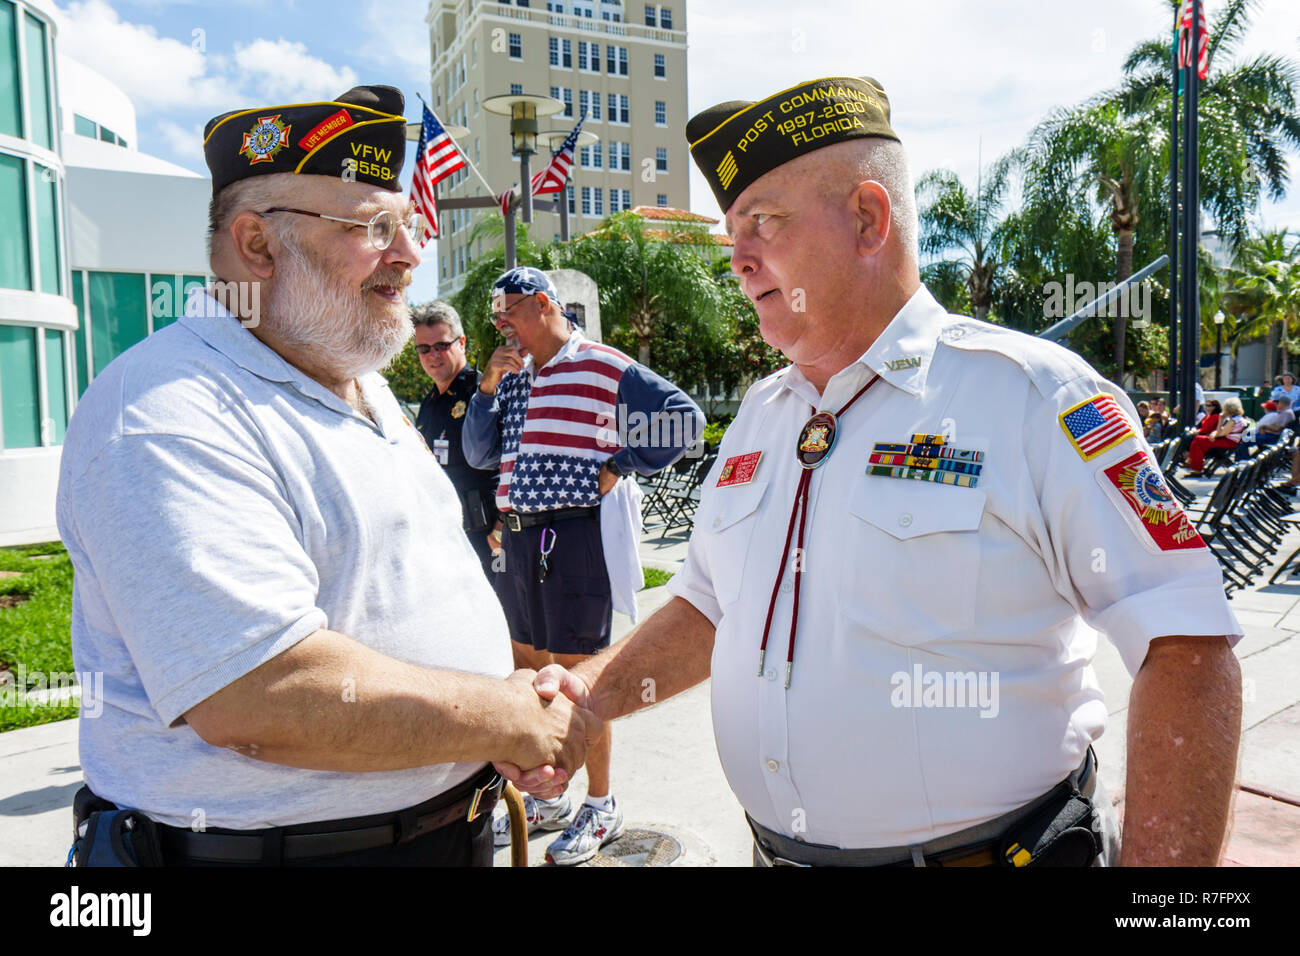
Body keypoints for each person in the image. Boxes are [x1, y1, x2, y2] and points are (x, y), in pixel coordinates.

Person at [502, 75, 1243, 867]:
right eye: (733, 232)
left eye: (763, 223)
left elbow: (1187, 641)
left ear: (866, 219)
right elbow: (709, 603)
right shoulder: (763, 411)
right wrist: (589, 698)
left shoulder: (1031, 394)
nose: (738, 257)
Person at [55, 86, 600, 868]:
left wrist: (522, 684)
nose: (411, 256)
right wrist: (501, 714)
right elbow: (260, 694)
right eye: (376, 230)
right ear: (258, 246)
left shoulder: (359, 382)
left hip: (448, 831)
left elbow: (392, 592)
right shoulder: (165, 411)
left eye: (408, 226)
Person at [462, 266, 704, 865]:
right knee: (529, 669)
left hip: (570, 538)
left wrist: (617, 464)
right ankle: (551, 793)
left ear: (543, 305)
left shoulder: (601, 363)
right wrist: (488, 388)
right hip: (518, 541)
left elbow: (684, 419)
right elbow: (477, 452)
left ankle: (601, 801)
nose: (501, 325)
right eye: (497, 316)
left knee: (576, 678)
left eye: (509, 312)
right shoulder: (514, 375)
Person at [413, 301, 499, 576]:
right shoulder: (429, 403)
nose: (433, 355)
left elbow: (512, 461)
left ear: (461, 343)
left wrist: (503, 526)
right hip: (444, 534)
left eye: (442, 345)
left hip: (487, 534)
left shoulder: (484, 392)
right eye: (424, 349)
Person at [1184, 397, 1250, 475]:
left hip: (1228, 442)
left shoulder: (1232, 421)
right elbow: (1221, 431)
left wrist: (1221, 420)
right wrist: (1214, 433)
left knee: (1198, 440)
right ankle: (1192, 461)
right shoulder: (1239, 418)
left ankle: (1195, 465)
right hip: (1231, 441)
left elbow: (1221, 433)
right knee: (1199, 442)